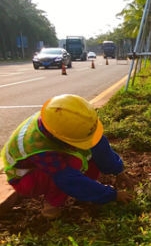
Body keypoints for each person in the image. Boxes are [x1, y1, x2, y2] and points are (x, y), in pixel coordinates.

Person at [1, 94, 134, 219]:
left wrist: (118, 171)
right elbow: (68, 179)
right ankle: (52, 206)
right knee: (73, 164)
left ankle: (86, 192)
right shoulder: (39, 148)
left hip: (43, 166)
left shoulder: (60, 119)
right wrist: (111, 195)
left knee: (85, 152)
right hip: (24, 179)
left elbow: (98, 144)